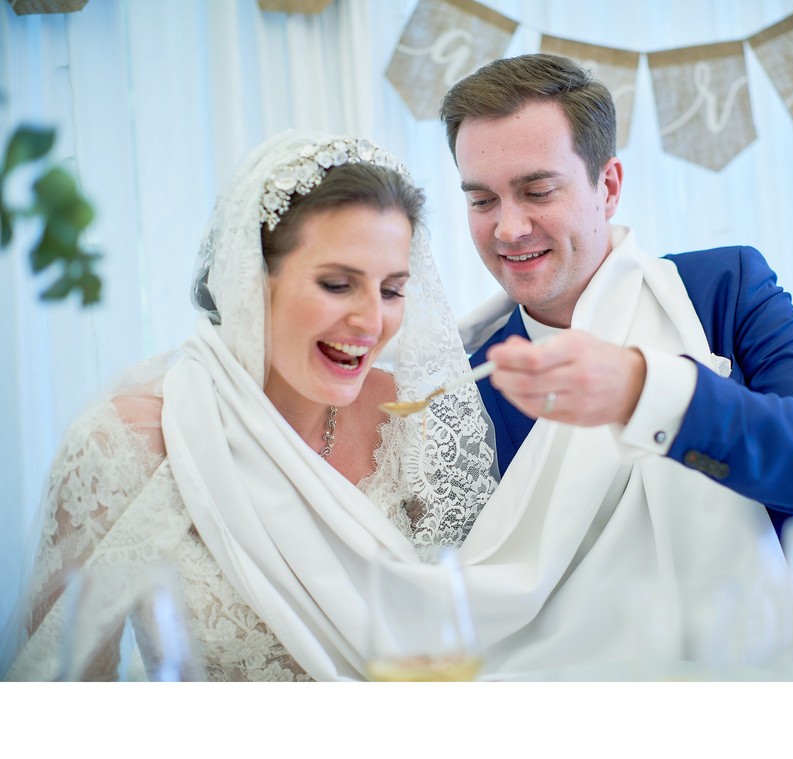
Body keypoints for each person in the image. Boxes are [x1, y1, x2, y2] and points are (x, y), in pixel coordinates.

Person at [439, 54, 793, 667]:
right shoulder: (469, 381)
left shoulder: (722, 290)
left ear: (609, 187)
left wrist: (651, 392)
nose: (509, 228)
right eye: (482, 200)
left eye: (537, 191)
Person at [1, 131, 499, 681]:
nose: (370, 322)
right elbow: (62, 689)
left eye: (391, 290)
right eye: (337, 284)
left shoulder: (408, 417)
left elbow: (469, 621)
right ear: (249, 278)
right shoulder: (127, 442)